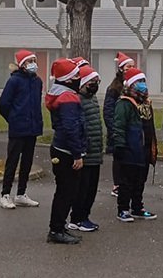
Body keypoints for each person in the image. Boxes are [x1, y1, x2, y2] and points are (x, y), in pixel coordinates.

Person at [44, 58, 87, 245]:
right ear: (69, 79)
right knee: (66, 192)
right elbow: (71, 128)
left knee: (64, 190)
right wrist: (77, 154)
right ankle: (56, 229)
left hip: (61, 149)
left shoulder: (59, 93)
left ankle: (58, 227)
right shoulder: (68, 97)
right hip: (67, 151)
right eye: (77, 75)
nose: (80, 78)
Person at [0, 49, 44, 209]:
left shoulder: (37, 82)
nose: (33, 64)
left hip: (32, 128)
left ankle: (21, 193)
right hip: (18, 128)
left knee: (27, 162)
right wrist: (13, 119)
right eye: (29, 61)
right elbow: (3, 104)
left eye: (34, 61)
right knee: (12, 161)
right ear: (22, 64)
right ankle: (5, 194)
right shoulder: (14, 81)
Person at [112, 67, 158, 222]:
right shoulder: (124, 103)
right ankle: (123, 209)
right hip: (130, 149)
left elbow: (150, 126)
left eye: (143, 81)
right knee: (127, 181)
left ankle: (138, 207)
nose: (142, 84)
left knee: (140, 180)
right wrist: (119, 146)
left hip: (144, 149)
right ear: (131, 85)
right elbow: (119, 126)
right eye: (139, 82)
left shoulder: (146, 103)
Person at [69, 65, 103, 233]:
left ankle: (85, 216)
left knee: (91, 189)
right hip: (85, 152)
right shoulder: (77, 99)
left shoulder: (92, 98)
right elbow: (77, 128)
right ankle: (77, 218)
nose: (95, 84)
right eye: (92, 81)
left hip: (95, 151)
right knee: (82, 189)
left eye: (97, 81)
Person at [104, 52, 135, 198]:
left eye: (133, 66)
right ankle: (117, 185)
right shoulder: (114, 88)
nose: (131, 68)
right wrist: (114, 129)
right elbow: (108, 111)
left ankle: (128, 183)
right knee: (118, 158)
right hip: (118, 130)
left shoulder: (134, 87)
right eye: (128, 66)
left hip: (131, 130)